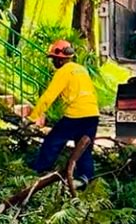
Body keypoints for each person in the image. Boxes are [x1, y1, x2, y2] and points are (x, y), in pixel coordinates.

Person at [28, 39, 100, 188]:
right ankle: (85, 177)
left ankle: (39, 169)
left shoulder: (64, 71)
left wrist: (33, 117)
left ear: (60, 59)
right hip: (92, 114)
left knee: (53, 141)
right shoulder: (81, 69)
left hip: (76, 115)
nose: (53, 62)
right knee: (84, 147)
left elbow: (49, 96)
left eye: (53, 59)